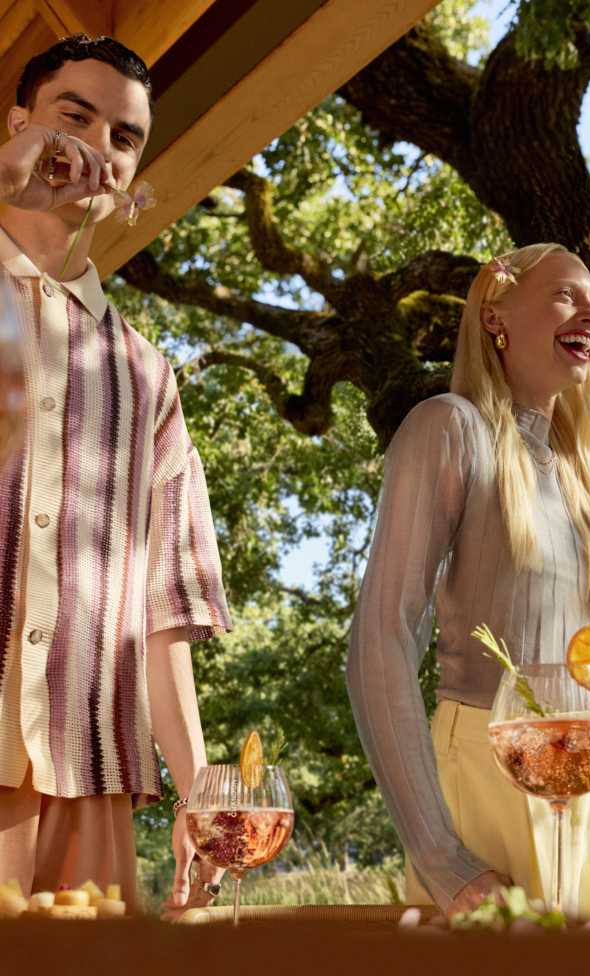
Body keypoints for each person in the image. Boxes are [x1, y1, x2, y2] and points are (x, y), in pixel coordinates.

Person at [0, 35, 231, 915]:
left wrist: (197, 786)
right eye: (74, 116)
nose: (97, 145)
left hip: (92, 780)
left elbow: (165, 606)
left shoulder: (148, 377)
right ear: (22, 124)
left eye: (124, 136)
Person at [347, 244, 590, 917]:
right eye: (566, 294)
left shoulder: (580, 474)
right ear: (495, 315)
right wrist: (441, 858)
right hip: (488, 775)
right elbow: (379, 640)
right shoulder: (448, 428)